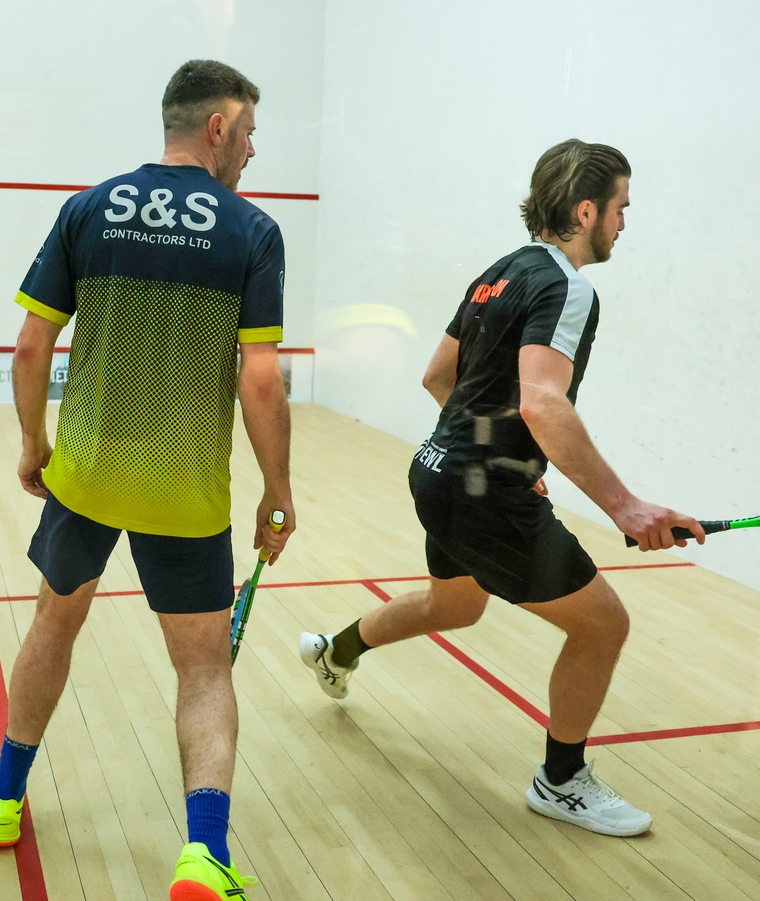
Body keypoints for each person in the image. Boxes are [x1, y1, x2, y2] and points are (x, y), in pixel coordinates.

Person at [299, 139, 703, 837]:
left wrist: (495, 457)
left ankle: (335, 652)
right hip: (479, 491)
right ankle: (562, 781)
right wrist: (625, 507)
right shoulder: (568, 287)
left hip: (437, 470)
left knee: (453, 604)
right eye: (620, 207)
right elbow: (543, 402)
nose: (624, 222)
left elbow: (438, 377)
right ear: (586, 211)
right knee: (603, 624)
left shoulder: (500, 272)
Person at [0, 59, 292, 900]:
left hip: (85, 475)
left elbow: (30, 345)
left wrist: (33, 443)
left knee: (53, 625)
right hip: (185, 491)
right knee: (204, 670)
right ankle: (204, 853)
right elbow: (261, 381)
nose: (253, 150)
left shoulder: (89, 208)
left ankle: (3, 797)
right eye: (249, 132)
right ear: (217, 127)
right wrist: (278, 487)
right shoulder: (252, 230)